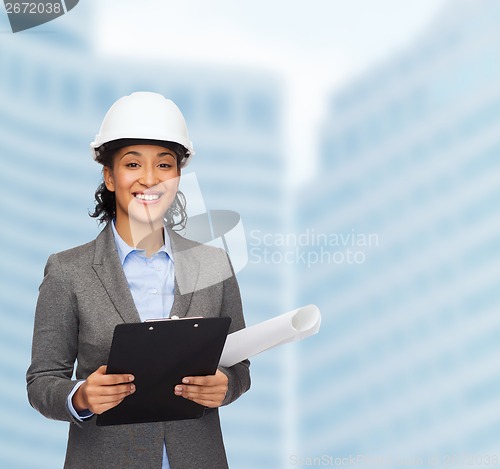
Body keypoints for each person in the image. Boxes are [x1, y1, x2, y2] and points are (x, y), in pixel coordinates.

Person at [26, 92, 251, 469]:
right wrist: (80, 397)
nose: (150, 179)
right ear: (110, 177)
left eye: (164, 165)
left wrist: (225, 386)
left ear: (178, 177)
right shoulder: (68, 272)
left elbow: (239, 367)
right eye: (133, 164)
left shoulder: (214, 265)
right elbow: (42, 381)